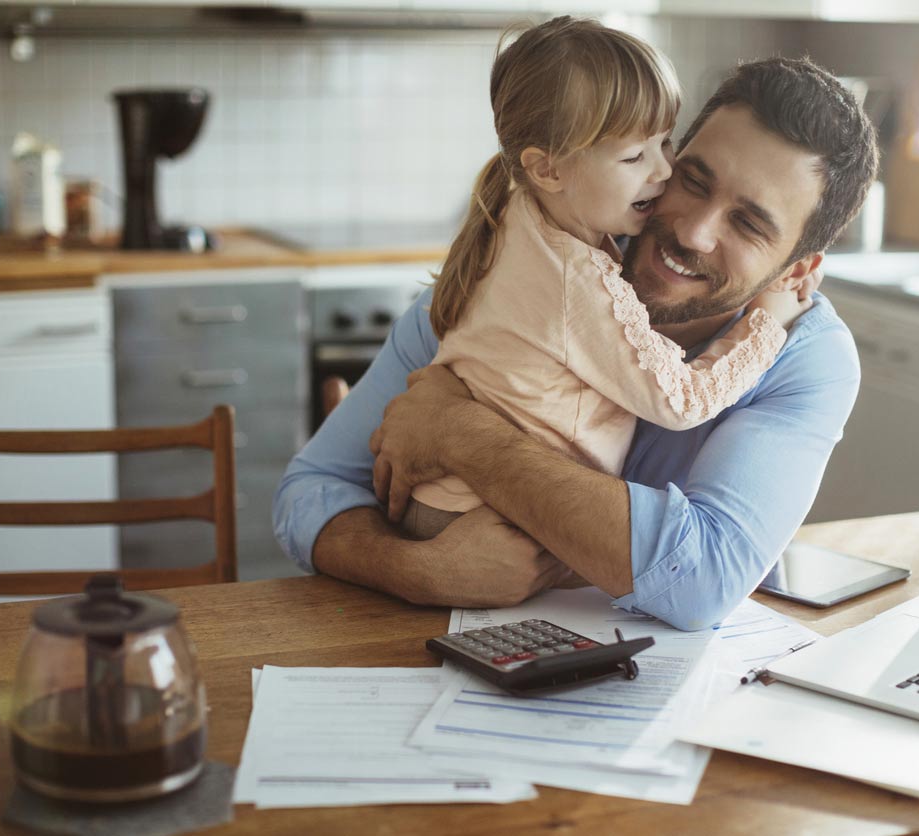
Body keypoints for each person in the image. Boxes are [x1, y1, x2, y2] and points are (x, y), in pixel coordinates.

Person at [275, 54, 880, 631]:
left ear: (798, 272)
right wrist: (418, 570)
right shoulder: (515, 279)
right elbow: (308, 494)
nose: (694, 231)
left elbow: (700, 582)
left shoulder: (805, 359)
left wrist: (459, 433)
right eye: (692, 180)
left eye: (748, 223)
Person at [402, 17, 803, 542]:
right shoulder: (579, 282)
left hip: (450, 502)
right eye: (634, 156)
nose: (663, 171)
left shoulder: (521, 207)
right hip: (480, 521)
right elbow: (682, 402)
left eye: (666, 142)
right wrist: (766, 324)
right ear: (549, 170)